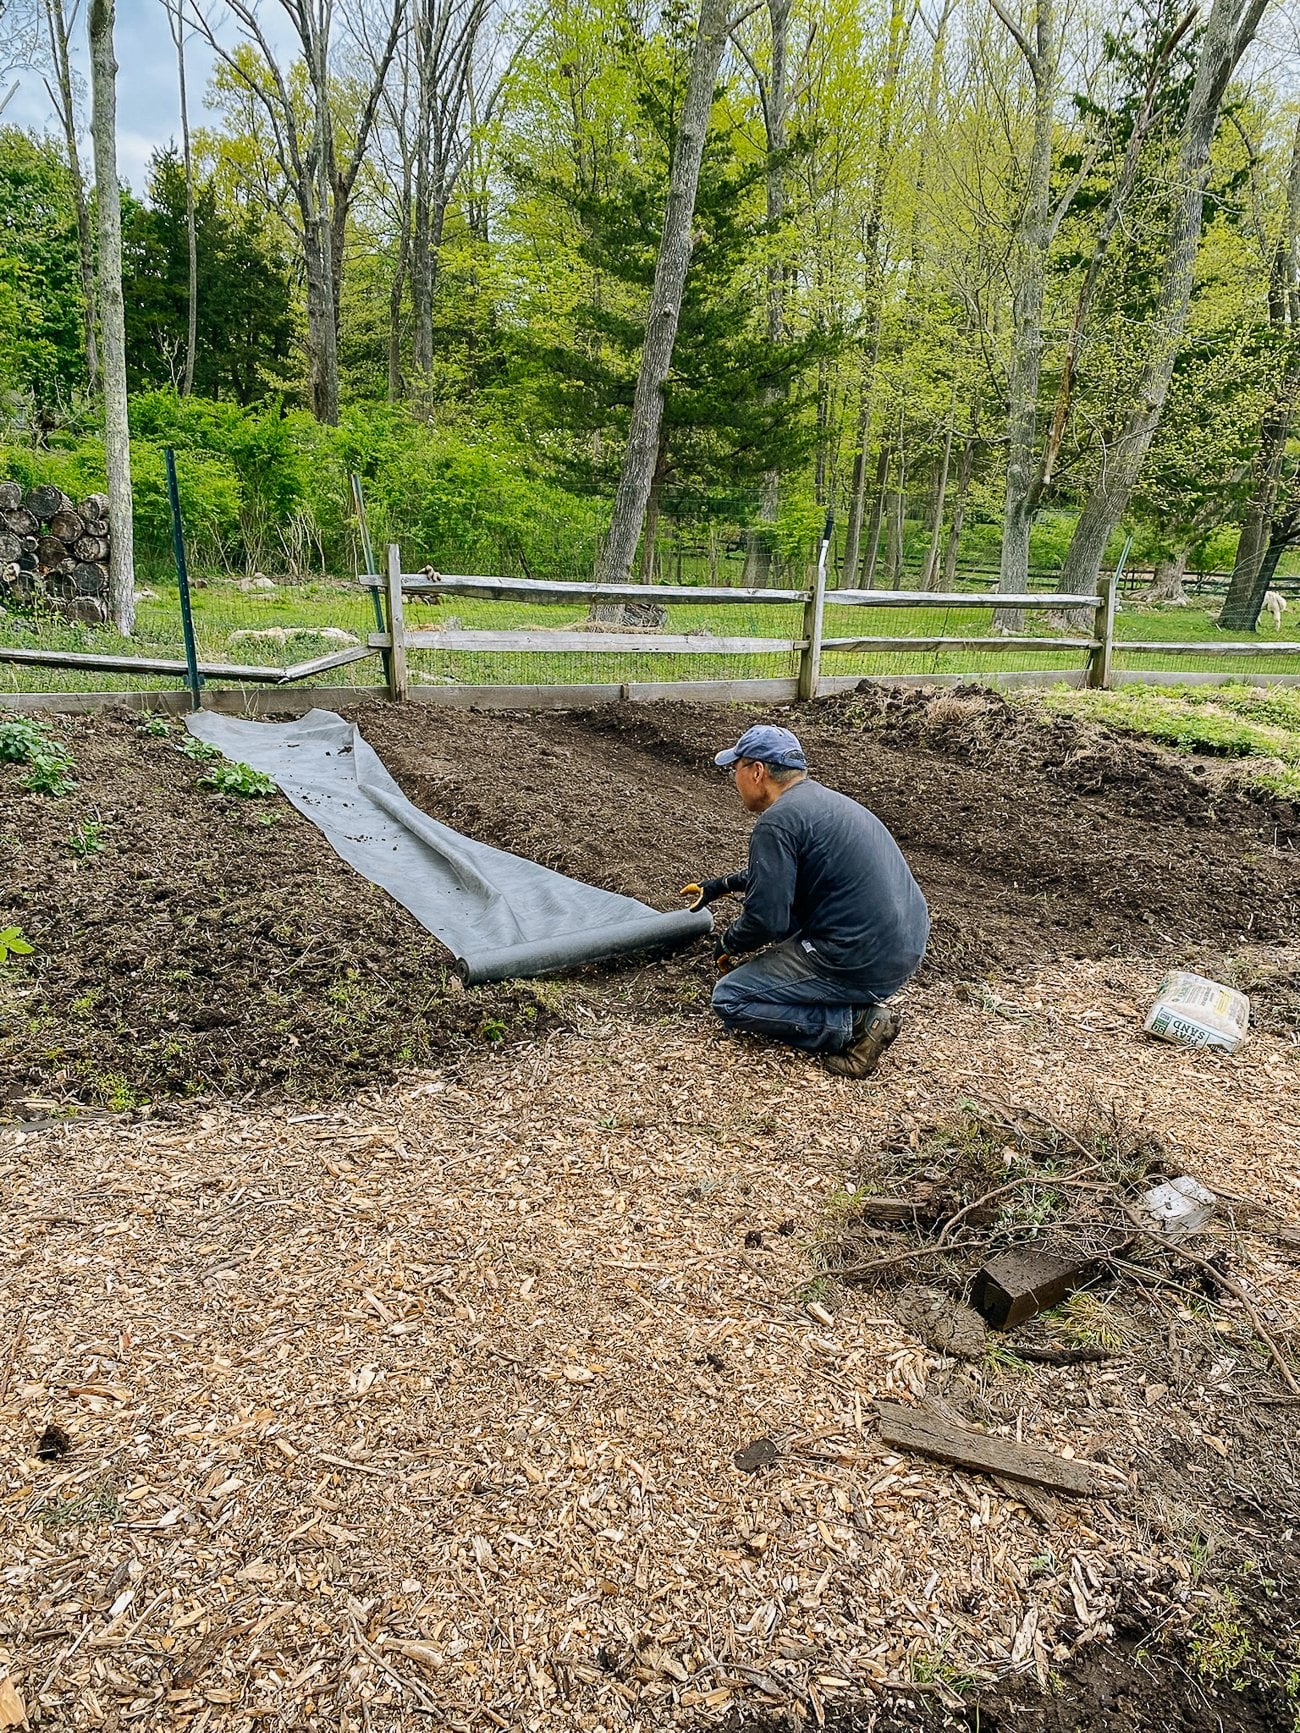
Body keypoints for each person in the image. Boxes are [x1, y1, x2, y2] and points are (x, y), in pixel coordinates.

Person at [687, 722, 929, 1078]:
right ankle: (844, 995)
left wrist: (729, 942)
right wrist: (722, 885)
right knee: (799, 919)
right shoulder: (827, 803)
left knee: (730, 997)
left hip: (861, 959)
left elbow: (766, 921)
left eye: (735, 768)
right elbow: (787, 873)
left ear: (757, 772)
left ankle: (857, 1025)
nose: (733, 778)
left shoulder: (777, 822)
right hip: (904, 947)